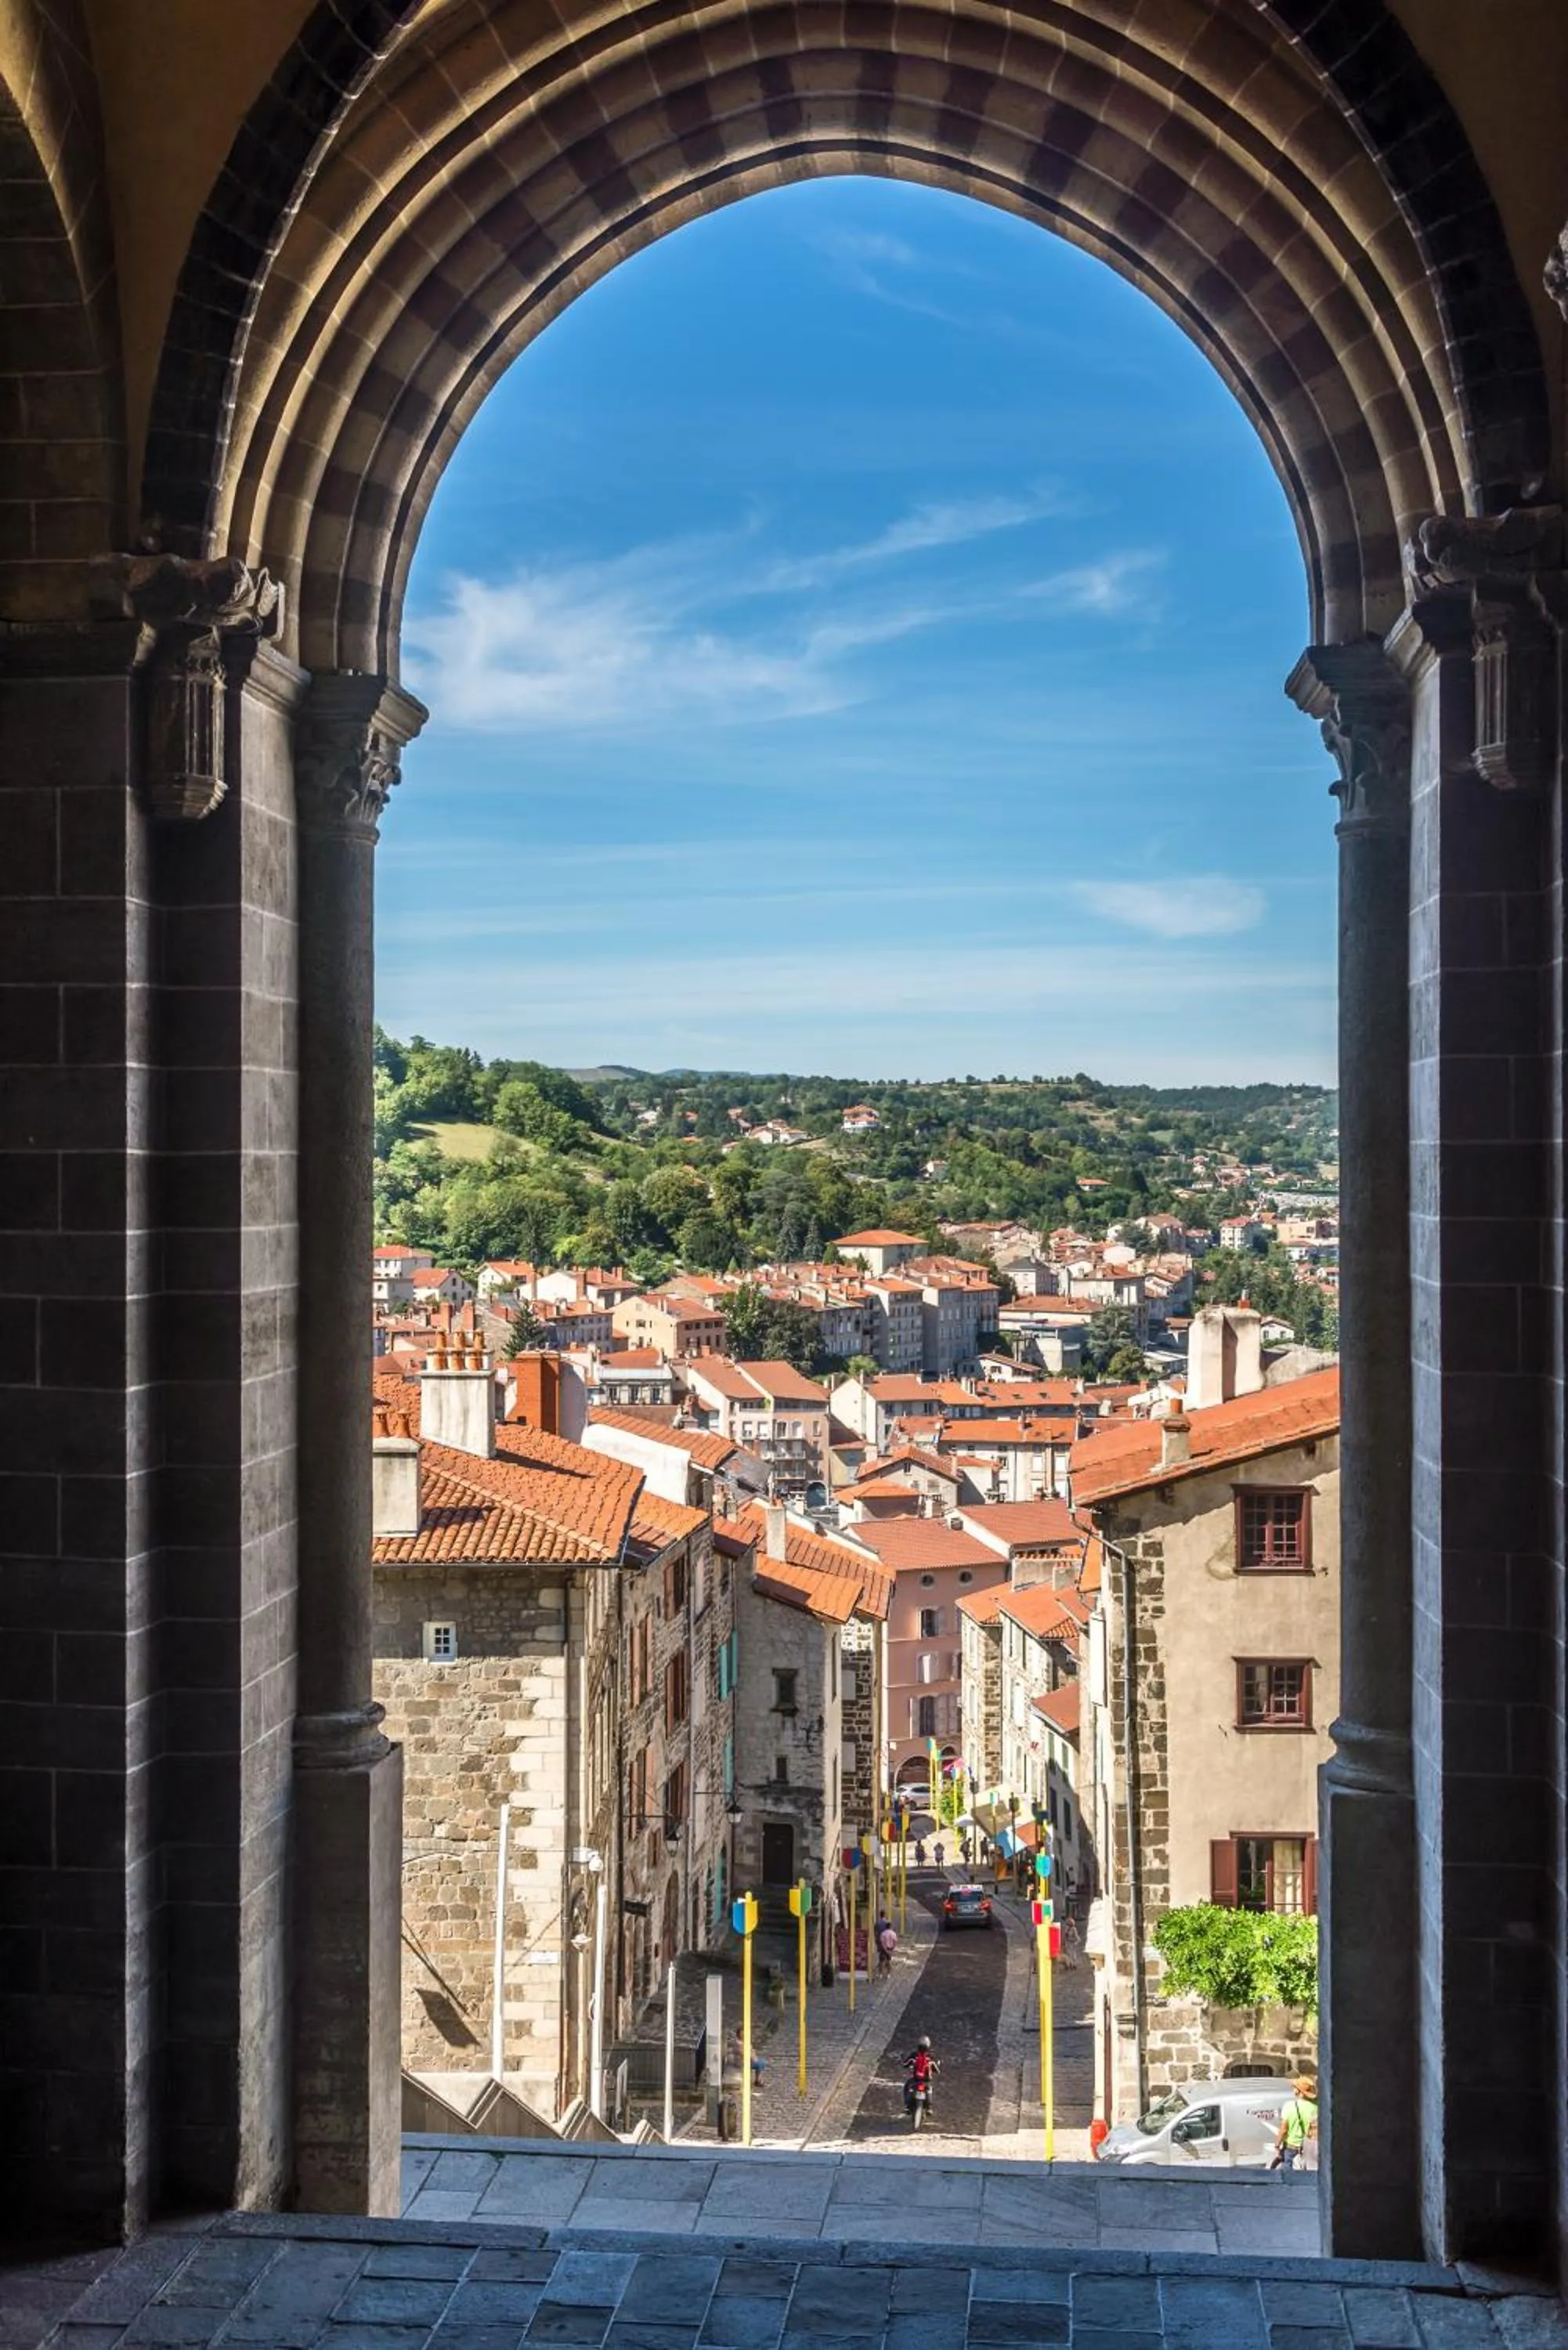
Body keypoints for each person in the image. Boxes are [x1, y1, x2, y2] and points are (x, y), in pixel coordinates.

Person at [1274, 2075, 1318, 2175]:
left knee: (1288, 2178)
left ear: (1299, 2092)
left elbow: (1283, 2130)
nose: (1293, 2090)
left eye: (1295, 2088)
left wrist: (1277, 2146)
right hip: (1308, 2150)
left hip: (1291, 2149)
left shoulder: (1289, 2106)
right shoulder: (1315, 2108)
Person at [902, 2034, 938, 2113]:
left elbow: (905, 2064)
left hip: (916, 2079)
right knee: (929, 2089)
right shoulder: (931, 2056)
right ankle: (929, 2108)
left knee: (907, 2086)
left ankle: (907, 2106)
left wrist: (906, 2065)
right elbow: (936, 2068)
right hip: (926, 2080)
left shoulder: (914, 2055)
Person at [875, 1914, 898, 1979]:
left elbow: (882, 1943)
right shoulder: (893, 1933)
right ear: (891, 1927)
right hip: (890, 1948)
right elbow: (895, 1941)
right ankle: (888, 1974)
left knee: (882, 1962)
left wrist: (885, 1950)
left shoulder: (883, 1934)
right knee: (888, 1962)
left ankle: (880, 1974)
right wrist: (893, 1948)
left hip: (883, 1949)